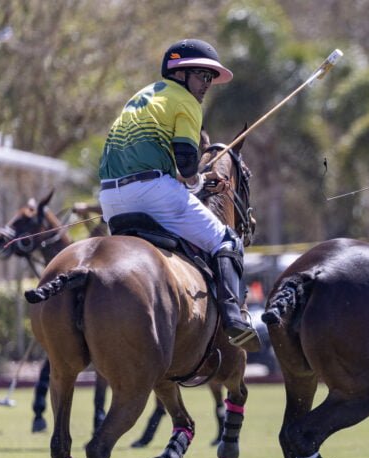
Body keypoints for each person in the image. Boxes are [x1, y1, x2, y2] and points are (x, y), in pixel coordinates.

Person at [98, 39, 257, 349]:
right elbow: (185, 162)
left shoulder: (141, 97)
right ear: (180, 74)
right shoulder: (185, 101)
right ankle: (234, 320)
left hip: (110, 199)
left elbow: (173, 167)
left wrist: (197, 181)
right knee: (227, 240)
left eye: (210, 78)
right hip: (152, 192)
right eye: (201, 75)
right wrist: (197, 181)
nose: (206, 85)